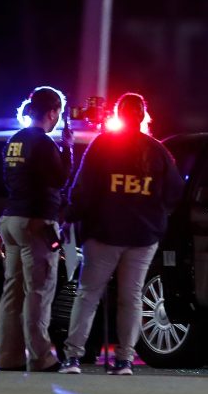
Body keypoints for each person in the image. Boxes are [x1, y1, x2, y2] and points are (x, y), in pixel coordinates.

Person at [59, 92, 184, 375]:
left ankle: (73, 357)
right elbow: (175, 192)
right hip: (143, 235)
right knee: (131, 296)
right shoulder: (157, 150)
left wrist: (71, 217)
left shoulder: (103, 145)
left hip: (104, 232)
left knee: (88, 294)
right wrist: (156, 215)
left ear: (119, 115)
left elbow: (83, 189)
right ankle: (125, 359)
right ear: (142, 116)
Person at [0, 85, 72, 371]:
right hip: (36, 222)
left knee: (12, 292)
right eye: (58, 113)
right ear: (52, 112)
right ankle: (41, 357)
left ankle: (8, 356)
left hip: (12, 220)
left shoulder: (14, 140)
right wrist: (68, 149)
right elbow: (60, 179)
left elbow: (10, 179)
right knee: (38, 291)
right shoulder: (43, 143)